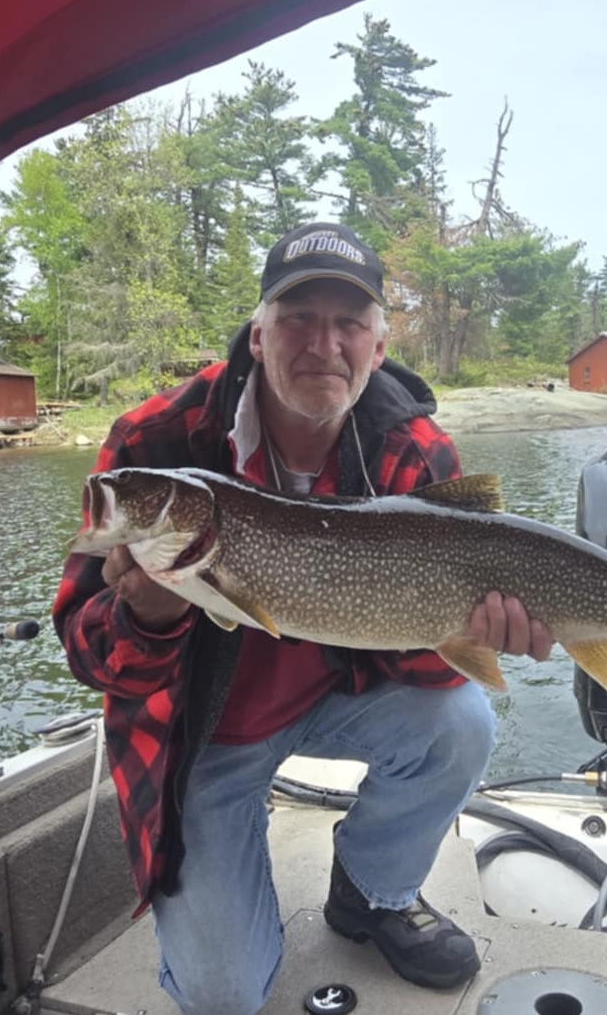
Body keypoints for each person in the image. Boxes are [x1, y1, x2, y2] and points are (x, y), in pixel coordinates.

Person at [53, 221, 553, 1015]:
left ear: (378, 347)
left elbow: (413, 668)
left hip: (343, 692)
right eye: (297, 319)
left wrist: (469, 631)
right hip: (203, 736)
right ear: (258, 336)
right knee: (222, 998)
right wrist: (144, 613)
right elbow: (88, 659)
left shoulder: (415, 453)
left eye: (349, 323)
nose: (324, 344)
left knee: (461, 719)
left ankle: (372, 891)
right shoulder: (156, 442)